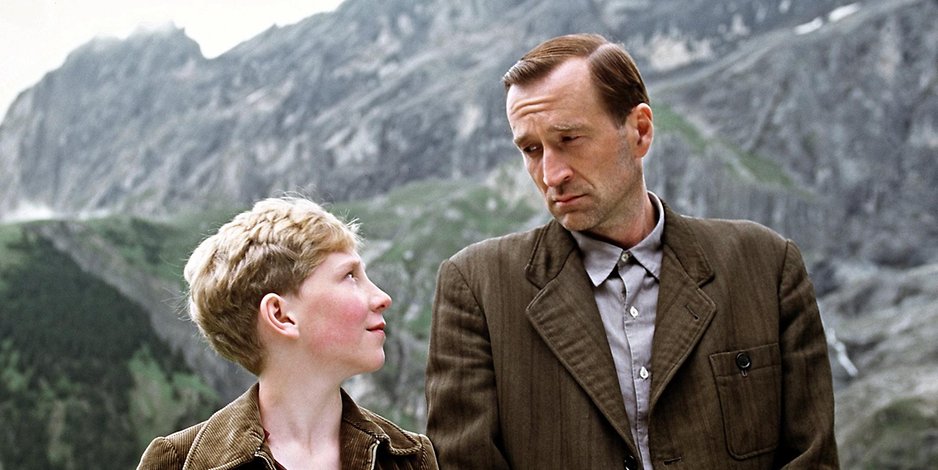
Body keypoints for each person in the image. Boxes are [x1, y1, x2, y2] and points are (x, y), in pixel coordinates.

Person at [425, 33, 839, 469]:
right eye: (531, 149)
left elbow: (812, 457)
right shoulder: (477, 287)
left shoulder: (765, 265)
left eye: (569, 139)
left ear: (639, 131)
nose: (551, 174)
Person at [137, 197, 438, 470]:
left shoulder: (411, 458)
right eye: (350, 276)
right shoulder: (179, 463)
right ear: (281, 315)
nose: (383, 297)